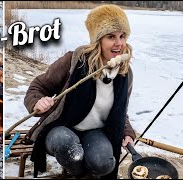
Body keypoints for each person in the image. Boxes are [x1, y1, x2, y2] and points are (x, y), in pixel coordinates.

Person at [23, 4, 136, 179]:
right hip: (61, 127)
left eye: (122, 36)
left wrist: (127, 132)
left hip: (95, 131)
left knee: (104, 164)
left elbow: (120, 111)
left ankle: (86, 170)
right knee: (68, 148)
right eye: (111, 37)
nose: (119, 43)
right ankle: (80, 174)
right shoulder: (74, 61)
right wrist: (37, 101)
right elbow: (37, 87)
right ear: (98, 39)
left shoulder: (125, 73)